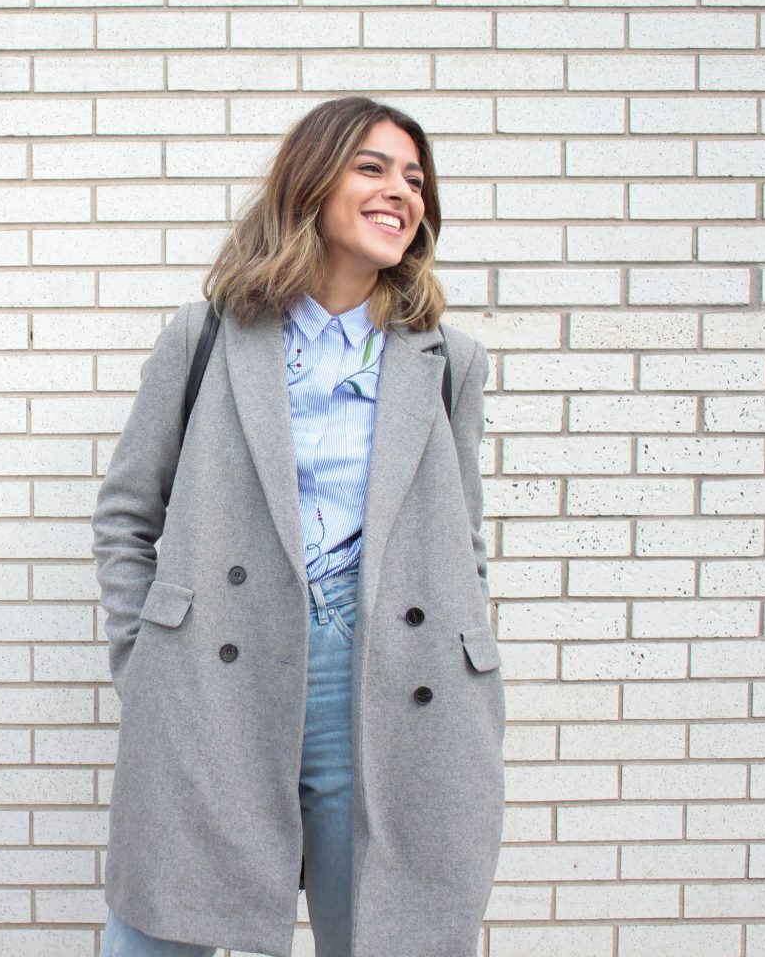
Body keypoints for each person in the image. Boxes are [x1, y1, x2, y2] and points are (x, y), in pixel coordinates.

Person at [91, 96, 505, 957]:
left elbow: (459, 537)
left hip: (394, 678)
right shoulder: (208, 334)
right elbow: (129, 513)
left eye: (416, 178)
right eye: (374, 167)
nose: (402, 191)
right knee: (157, 933)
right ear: (311, 182)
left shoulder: (446, 361)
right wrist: (149, 663)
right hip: (216, 673)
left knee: (389, 938)